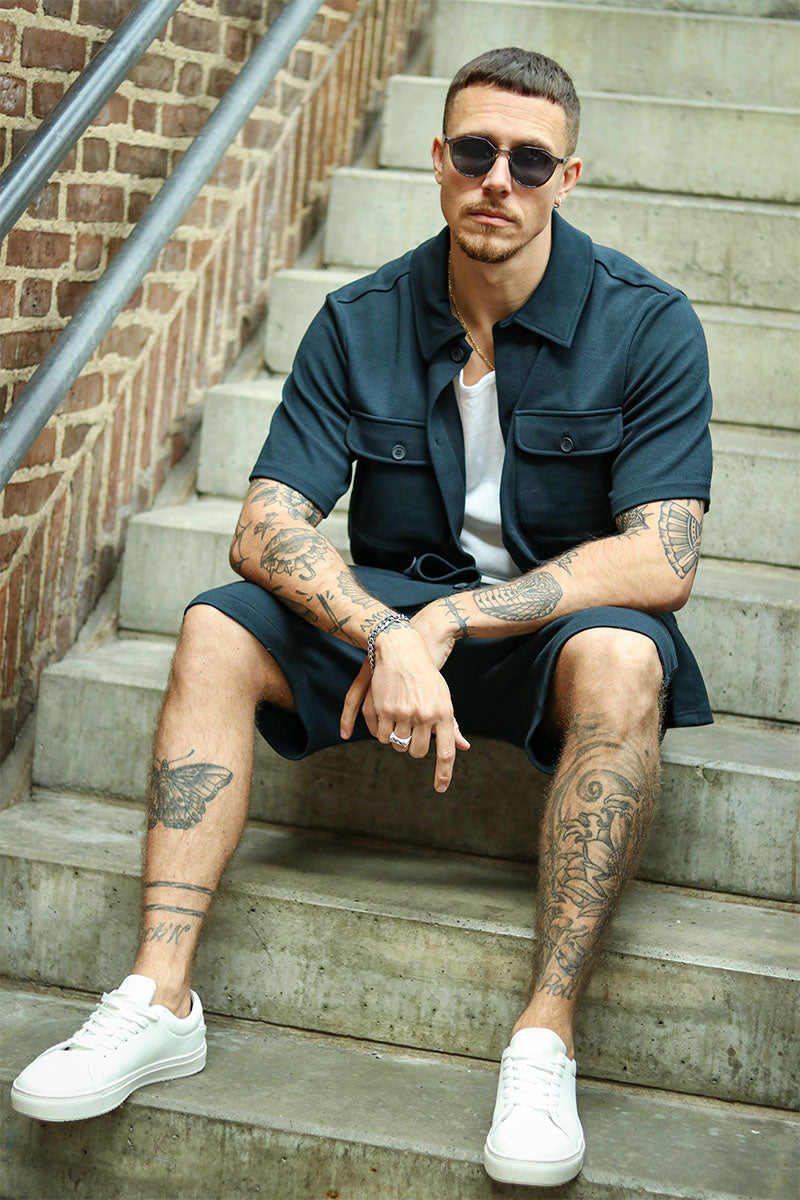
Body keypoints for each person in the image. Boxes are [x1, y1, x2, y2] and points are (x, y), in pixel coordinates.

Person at [11, 47, 712, 1188]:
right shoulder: (359, 318)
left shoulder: (646, 324)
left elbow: (661, 557)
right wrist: (391, 632)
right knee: (214, 626)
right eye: (474, 152)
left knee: (627, 660)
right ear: (437, 160)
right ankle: (159, 994)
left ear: (567, 178)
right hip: (391, 624)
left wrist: (453, 622)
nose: (498, 179)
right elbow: (264, 525)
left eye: (529, 161)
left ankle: (545, 1035)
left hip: (547, 635)